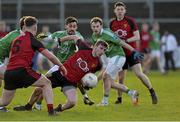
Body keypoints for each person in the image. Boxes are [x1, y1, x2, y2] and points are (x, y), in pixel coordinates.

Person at [0, 16, 67, 116]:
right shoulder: (34, 40)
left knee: (4, 102)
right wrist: (61, 66)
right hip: (22, 71)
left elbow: (11, 57)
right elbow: (50, 57)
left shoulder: (15, 39)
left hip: (9, 73)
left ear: (24, 26)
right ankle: (51, 112)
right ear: (35, 28)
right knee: (47, 83)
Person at [109, 2, 158, 104]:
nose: (120, 11)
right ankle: (119, 99)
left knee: (139, 74)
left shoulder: (130, 21)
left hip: (132, 52)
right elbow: (111, 38)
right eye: (118, 9)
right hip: (120, 54)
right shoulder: (112, 23)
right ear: (115, 11)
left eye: (122, 9)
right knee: (121, 77)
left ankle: (152, 91)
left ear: (125, 11)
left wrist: (125, 41)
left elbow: (137, 37)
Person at [90, 17, 142, 106]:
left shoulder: (107, 33)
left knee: (105, 76)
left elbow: (121, 42)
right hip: (110, 59)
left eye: (97, 26)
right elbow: (94, 49)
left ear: (101, 26)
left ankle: (105, 102)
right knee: (111, 83)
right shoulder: (94, 36)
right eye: (93, 27)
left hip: (118, 56)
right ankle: (132, 93)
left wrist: (133, 50)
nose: (95, 28)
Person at [0, 16, 28, 87]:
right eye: (32, 26)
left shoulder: (19, 34)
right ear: (24, 26)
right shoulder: (17, 36)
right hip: (2, 58)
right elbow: (11, 53)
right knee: (12, 79)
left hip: (2, 58)